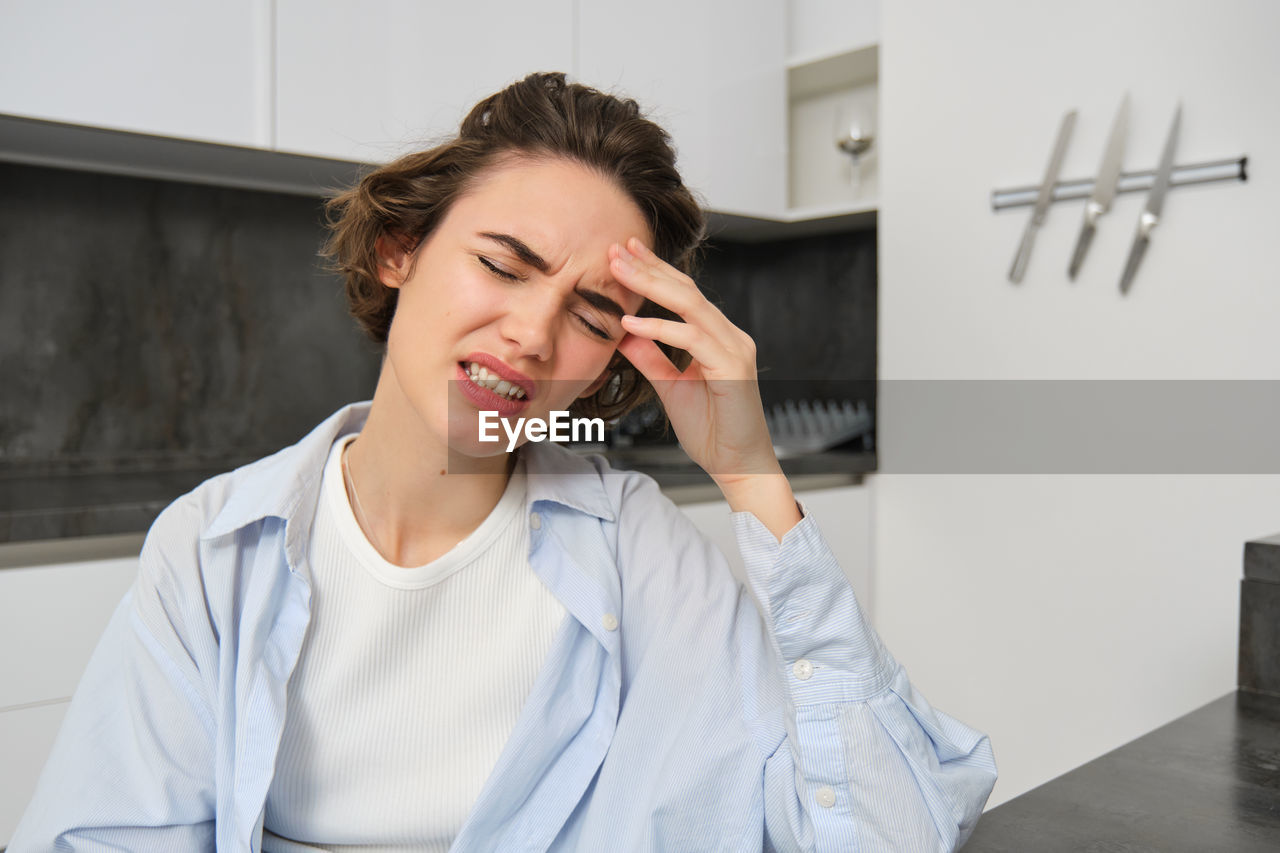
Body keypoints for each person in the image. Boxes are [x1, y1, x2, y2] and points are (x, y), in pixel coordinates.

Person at [11, 72, 996, 852]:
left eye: (589, 312)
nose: (530, 334)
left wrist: (753, 480)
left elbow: (888, 833)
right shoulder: (212, 550)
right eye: (501, 264)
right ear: (399, 250)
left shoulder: (637, 551)